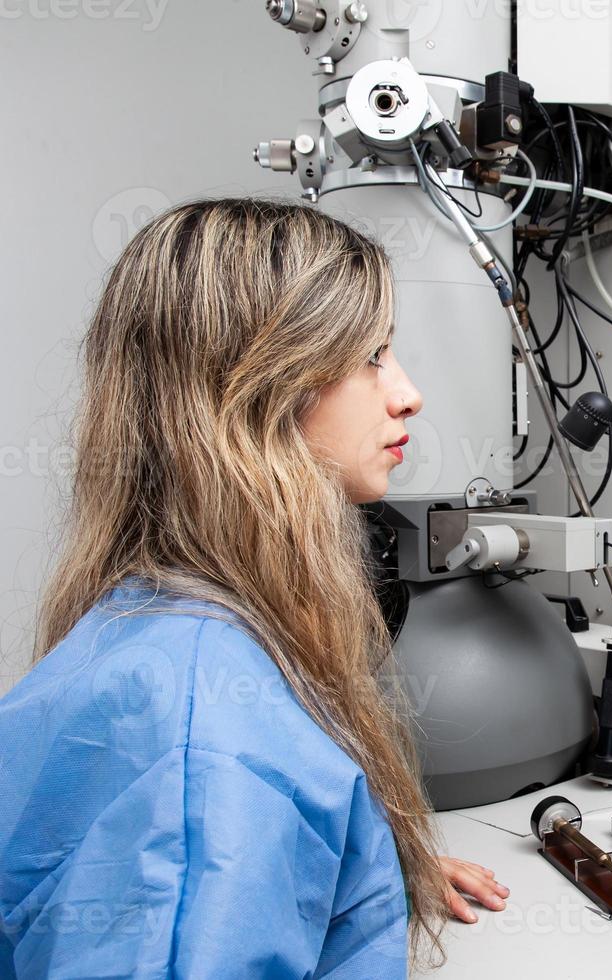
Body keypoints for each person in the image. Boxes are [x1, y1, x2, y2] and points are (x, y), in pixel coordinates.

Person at [0, 199, 507, 977]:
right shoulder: (203, 748)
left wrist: (352, 875)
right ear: (259, 388)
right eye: (371, 355)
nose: (407, 394)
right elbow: (190, 869)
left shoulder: (157, 620)